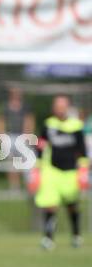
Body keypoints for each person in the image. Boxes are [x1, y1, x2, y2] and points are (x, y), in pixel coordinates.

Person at [31, 95, 88, 250]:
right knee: (50, 205)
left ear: (68, 108)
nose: (60, 109)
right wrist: (37, 170)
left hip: (70, 171)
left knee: (72, 205)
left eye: (63, 106)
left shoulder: (75, 125)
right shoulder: (49, 125)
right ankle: (48, 238)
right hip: (52, 171)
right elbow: (41, 147)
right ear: (53, 108)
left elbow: (82, 150)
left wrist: (83, 171)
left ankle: (76, 235)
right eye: (58, 106)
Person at [0, 87, 35, 190]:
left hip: (22, 136)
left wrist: (28, 135)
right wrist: (0, 136)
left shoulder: (25, 107)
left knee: (27, 160)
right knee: (11, 161)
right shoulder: (6, 107)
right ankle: (14, 186)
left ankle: (29, 183)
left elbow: (29, 120)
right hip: (9, 136)